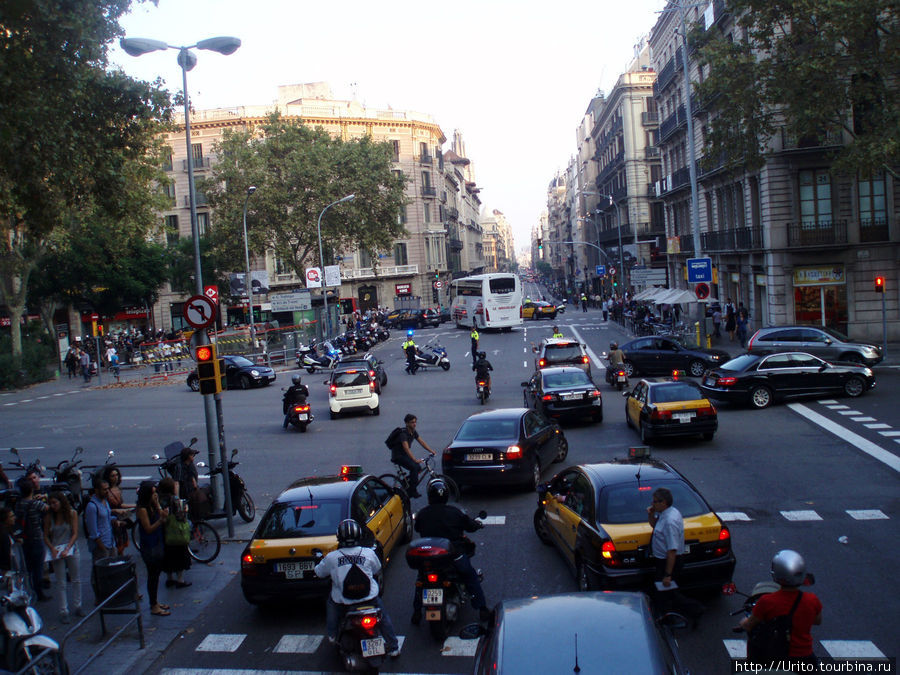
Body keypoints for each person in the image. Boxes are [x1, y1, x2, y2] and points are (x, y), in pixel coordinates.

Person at [314, 519, 400, 657]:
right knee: (383, 618)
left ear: (339, 537)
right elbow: (377, 568)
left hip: (343, 602)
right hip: (369, 598)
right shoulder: (368, 553)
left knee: (331, 604)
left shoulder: (332, 557)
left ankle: (332, 635)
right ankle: (394, 647)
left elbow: (319, 572)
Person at [411, 479, 489, 625]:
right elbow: (470, 526)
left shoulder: (422, 514)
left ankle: (416, 612)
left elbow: (418, 528)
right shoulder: (454, 512)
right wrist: (477, 524)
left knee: (421, 579)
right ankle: (482, 609)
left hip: (429, 556)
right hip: (453, 556)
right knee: (470, 575)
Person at [739, 550, 822, 664]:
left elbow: (749, 625)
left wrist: (743, 622)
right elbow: (817, 621)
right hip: (804, 657)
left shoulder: (767, 601)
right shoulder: (812, 600)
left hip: (776, 657)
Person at [647, 487, 703, 626]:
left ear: (663, 502)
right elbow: (655, 526)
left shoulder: (670, 521)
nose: (652, 504)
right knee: (666, 592)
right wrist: (651, 515)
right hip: (663, 560)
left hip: (668, 562)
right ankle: (669, 616)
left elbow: (672, 550)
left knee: (668, 592)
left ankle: (695, 610)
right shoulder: (666, 513)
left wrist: (667, 574)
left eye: (655, 502)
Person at [43, 491, 83, 623]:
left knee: (76, 578)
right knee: (61, 582)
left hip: (70, 548)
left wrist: (67, 548)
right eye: (51, 503)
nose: (53, 506)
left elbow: (75, 533)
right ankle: (63, 610)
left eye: (55, 503)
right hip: (57, 550)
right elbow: (45, 536)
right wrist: (53, 548)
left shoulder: (71, 514)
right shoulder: (49, 517)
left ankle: (78, 605)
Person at [135, 481, 171, 616]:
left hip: (157, 542)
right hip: (149, 545)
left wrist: (157, 505)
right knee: (153, 575)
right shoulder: (142, 509)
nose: (156, 495)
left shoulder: (152, 506)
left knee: (156, 574)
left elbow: (162, 515)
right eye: (153, 493)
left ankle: (155, 602)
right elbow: (148, 528)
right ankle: (153, 605)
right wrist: (160, 521)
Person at [14, 481, 49, 601]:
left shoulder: (19, 504)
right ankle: (39, 591)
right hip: (36, 537)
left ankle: (30, 589)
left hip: (25, 539)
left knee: (28, 566)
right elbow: (48, 508)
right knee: (38, 566)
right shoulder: (35, 504)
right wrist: (44, 498)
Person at [388, 414, 436, 498]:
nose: (414, 424)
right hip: (398, 456)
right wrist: (415, 459)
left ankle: (407, 483)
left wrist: (431, 451)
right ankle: (412, 491)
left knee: (418, 468)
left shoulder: (413, 432)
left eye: (415, 422)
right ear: (407, 423)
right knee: (414, 467)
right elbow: (406, 448)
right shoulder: (403, 434)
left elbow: (422, 442)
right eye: (412, 422)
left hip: (404, 455)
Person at [157, 477, 191, 589]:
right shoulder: (174, 499)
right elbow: (180, 515)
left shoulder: (158, 499)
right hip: (175, 530)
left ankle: (169, 578)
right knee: (180, 554)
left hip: (163, 529)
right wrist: (185, 510)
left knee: (167, 555)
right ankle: (180, 580)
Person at [84, 477, 115, 563]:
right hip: (101, 546)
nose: (107, 491)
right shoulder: (92, 506)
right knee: (99, 573)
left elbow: (107, 519)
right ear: (97, 490)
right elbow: (93, 532)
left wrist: (116, 521)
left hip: (110, 542)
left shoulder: (105, 501)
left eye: (108, 488)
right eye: (104, 489)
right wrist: (103, 548)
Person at [103, 465, 133, 555]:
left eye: (116, 475)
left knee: (121, 544)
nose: (115, 478)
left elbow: (121, 505)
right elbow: (104, 509)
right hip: (111, 521)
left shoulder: (118, 489)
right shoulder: (105, 491)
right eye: (113, 476)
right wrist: (116, 510)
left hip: (120, 519)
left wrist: (134, 505)